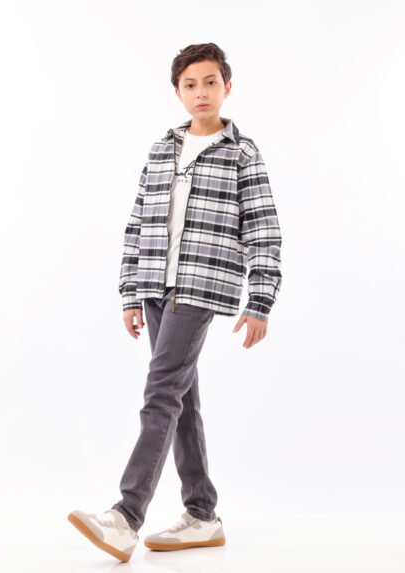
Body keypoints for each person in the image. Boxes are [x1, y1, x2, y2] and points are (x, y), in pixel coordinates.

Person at [67, 42, 283, 562]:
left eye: (210, 82)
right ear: (178, 92)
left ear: (227, 87)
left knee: (160, 392)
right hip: (155, 285)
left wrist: (260, 300)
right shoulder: (162, 149)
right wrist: (130, 291)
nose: (201, 92)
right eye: (190, 84)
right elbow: (137, 222)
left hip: (200, 286)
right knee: (181, 400)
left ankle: (126, 516)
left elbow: (263, 228)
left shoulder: (242, 153)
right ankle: (202, 514)